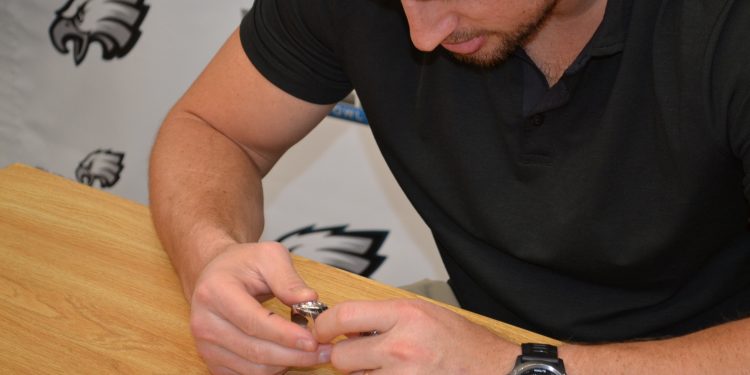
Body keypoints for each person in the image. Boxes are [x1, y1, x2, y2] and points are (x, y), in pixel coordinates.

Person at [148, 0, 750, 373]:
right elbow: (215, 129)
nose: (423, 32)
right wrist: (211, 256)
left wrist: (518, 369)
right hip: (471, 334)